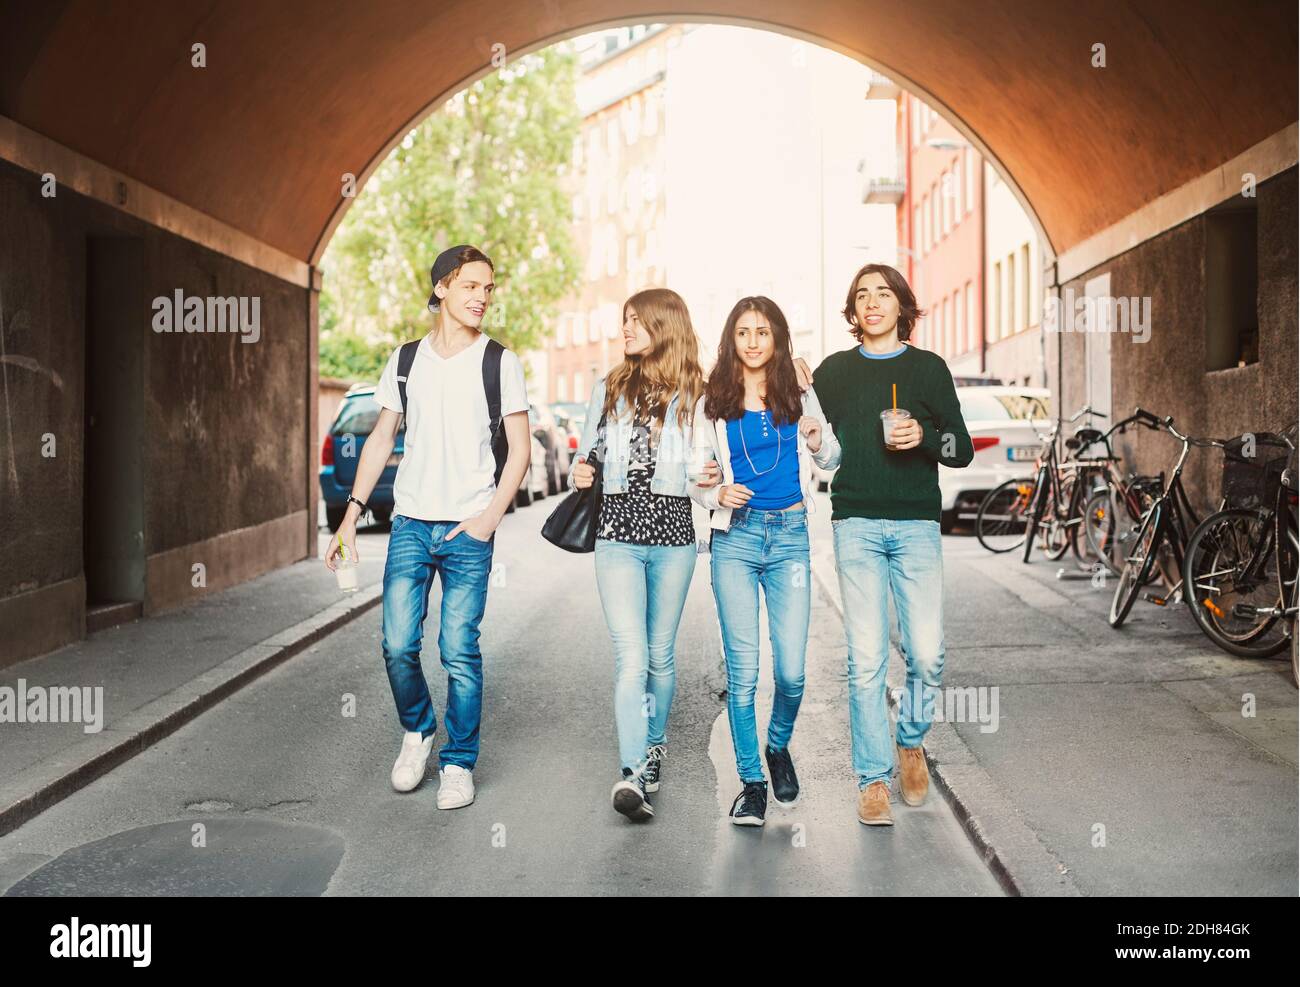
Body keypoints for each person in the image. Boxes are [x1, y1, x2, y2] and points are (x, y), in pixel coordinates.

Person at [325, 244, 532, 810]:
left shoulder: (499, 362)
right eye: (471, 286)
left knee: (459, 651)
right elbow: (380, 439)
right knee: (396, 644)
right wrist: (349, 517)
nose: (481, 298)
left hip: (468, 528)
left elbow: (520, 453)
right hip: (412, 523)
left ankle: (459, 762)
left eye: (488, 289)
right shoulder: (406, 359)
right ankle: (418, 729)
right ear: (442, 287)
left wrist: (487, 521)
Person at [808, 263, 973, 826]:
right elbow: (811, 435)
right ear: (853, 313)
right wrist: (801, 397)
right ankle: (873, 779)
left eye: (883, 293)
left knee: (928, 654)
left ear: (902, 306)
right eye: (862, 295)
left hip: (916, 525)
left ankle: (910, 739)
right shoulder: (833, 374)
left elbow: (961, 447)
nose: (872, 302)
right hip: (855, 522)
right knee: (866, 659)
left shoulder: (928, 370)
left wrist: (924, 437)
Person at [690, 296, 840, 827]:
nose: (753, 341)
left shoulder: (799, 390)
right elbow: (696, 474)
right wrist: (714, 494)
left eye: (763, 331)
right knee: (745, 673)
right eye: (743, 332)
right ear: (732, 339)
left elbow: (832, 457)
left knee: (793, 672)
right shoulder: (712, 399)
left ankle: (778, 745)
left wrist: (819, 440)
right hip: (735, 541)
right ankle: (752, 782)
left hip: (791, 537)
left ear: (777, 338)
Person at [570, 288, 706, 822]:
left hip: (674, 537)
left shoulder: (697, 392)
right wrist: (584, 471)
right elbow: (588, 454)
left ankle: (654, 751)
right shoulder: (609, 387)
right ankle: (631, 772)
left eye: (635, 321)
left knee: (660, 656)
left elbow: (709, 458)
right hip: (618, 534)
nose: (625, 329)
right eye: (623, 320)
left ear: (663, 324)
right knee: (631, 657)